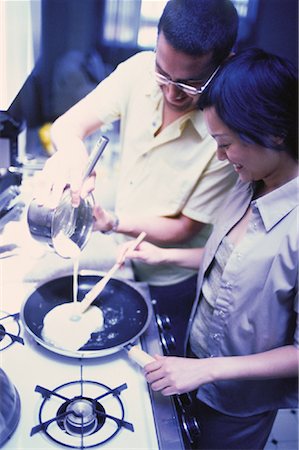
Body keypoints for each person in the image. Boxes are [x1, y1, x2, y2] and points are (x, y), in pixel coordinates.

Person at [36, 0, 239, 355]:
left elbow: (184, 228)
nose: (171, 92)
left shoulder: (225, 134)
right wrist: (74, 156)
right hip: (125, 257)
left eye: (189, 84)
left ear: (222, 66)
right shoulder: (138, 71)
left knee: (162, 355)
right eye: (163, 74)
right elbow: (67, 125)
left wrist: (113, 221)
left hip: (172, 275)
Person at [124, 48, 298, 450]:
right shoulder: (249, 180)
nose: (220, 156)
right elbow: (233, 263)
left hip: (237, 400)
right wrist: (163, 256)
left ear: (275, 132)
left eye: (226, 143)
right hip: (193, 364)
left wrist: (208, 371)